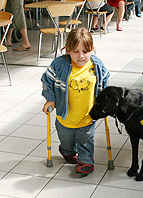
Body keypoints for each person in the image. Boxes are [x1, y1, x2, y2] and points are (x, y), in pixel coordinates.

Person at [41, 28, 110, 175]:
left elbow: (105, 82)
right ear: (67, 50)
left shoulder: (97, 65)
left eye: (85, 51)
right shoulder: (59, 65)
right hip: (65, 115)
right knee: (67, 141)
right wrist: (50, 99)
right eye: (75, 51)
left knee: (86, 140)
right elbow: (47, 81)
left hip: (88, 115)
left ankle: (86, 161)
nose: (81, 56)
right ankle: (67, 151)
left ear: (92, 50)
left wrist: (105, 102)